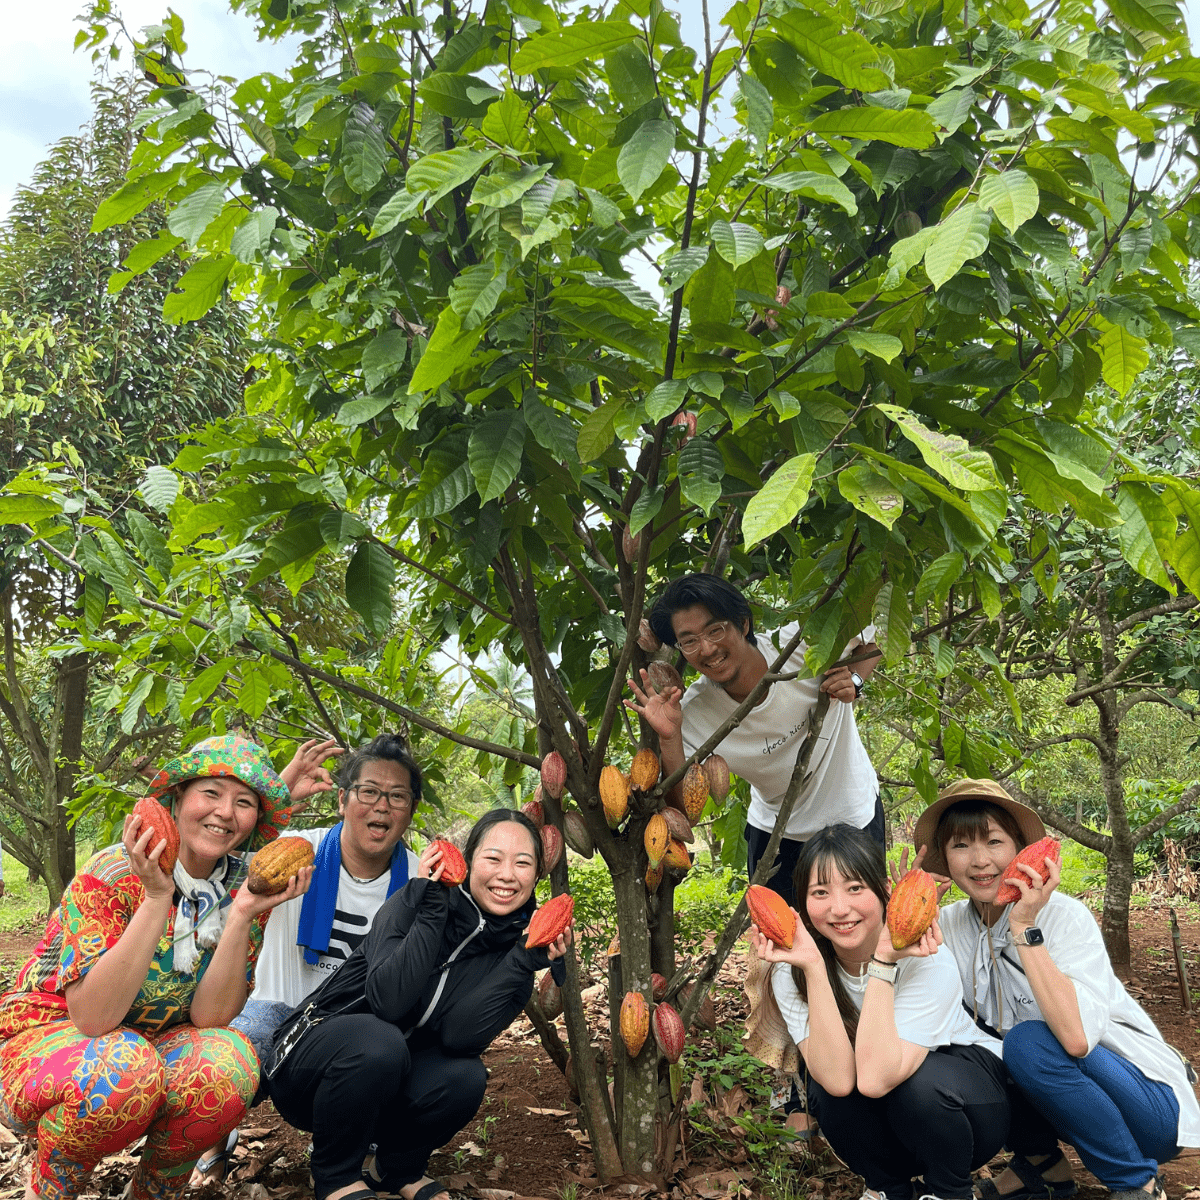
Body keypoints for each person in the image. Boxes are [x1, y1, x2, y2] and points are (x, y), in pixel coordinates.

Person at [0, 735, 311, 1200]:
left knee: (231, 1064)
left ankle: (152, 1193)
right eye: (211, 793)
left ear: (254, 822)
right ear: (177, 798)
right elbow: (94, 1018)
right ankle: (51, 1190)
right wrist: (157, 896)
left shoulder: (243, 891)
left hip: (157, 1044)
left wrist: (242, 913)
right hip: (53, 1042)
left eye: (243, 802)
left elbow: (210, 1020)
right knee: (123, 1069)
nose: (225, 812)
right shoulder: (112, 872)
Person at [913, 778, 1200, 1200]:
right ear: (944, 856)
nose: (979, 861)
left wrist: (1024, 925)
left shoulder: (1066, 918)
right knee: (971, 1047)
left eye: (994, 841)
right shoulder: (950, 924)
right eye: (960, 846)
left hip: (1145, 1107)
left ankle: (1136, 1183)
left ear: (1019, 850)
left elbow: (1077, 1039)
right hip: (1062, 1097)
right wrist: (899, 918)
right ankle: (1042, 1166)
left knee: (1027, 1041)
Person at [263, 808, 572, 1200]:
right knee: (380, 1039)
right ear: (469, 859)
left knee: (465, 1077)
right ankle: (335, 1176)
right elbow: (389, 1002)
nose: (507, 875)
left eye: (522, 863)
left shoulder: (520, 950)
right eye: (493, 858)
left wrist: (522, 962)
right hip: (309, 1068)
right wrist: (431, 905)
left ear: (536, 875)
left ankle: (395, 1170)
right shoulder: (409, 901)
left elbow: (461, 1037)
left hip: (382, 1087)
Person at [751, 823, 1060, 1200]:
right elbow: (838, 1082)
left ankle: (949, 1192)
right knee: (827, 1092)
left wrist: (883, 960)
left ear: (883, 892)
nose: (839, 908)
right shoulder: (794, 969)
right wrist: (814, 968)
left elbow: (877, 1079)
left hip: (971, 1104)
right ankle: (889, 1189)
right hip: (890, 1107)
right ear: (801, 903)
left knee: (918, 1085)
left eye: (854, 888)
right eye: (820, 892)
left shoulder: (927, 957)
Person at [192, 734, 429, 1182]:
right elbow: (222, 844)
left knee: (395, 1046)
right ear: (342, 800)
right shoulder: (298, 849)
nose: (382, 806)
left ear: (410, 810)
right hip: (276, 1011)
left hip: (357, 1025)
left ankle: (358, 1141)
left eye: (397, 796)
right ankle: (211, 1138)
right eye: (369, 792)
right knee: (226, 1060)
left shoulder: (419, 879)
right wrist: (278, 793)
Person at [626, 573, 881, 908]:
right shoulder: (693, 713)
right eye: (688, 642)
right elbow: (683, 814)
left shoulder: (804, 645)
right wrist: (670, 739)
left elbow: (873, 639)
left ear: (743, 625)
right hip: (777, 837)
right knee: (784, 951)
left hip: (854, 814)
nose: (707, 649)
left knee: (861, 936)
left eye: (715, 630)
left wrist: (856, 678)